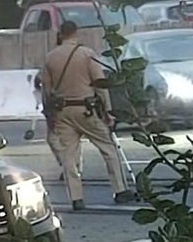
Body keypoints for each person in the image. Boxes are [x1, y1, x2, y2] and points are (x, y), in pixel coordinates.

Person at [38, 20, 136, 211]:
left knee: (69, 155)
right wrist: (108, 113)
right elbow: (100, 85)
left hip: (63, 112)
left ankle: (76, 197)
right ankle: (120, 189)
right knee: (108, 148)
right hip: (86, 109)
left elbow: (46, 92)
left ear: (60, 34)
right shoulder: (86, 54)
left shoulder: (50, 57)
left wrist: (49, 117)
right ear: (76, 33)